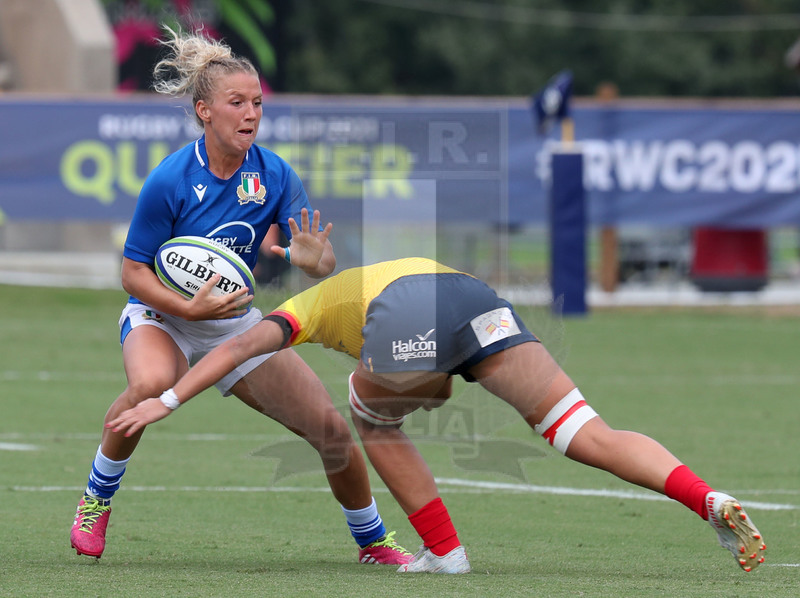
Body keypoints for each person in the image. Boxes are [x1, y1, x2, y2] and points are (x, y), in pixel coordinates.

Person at [108, 257, 767, 575]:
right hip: (472, 294)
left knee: (370, 421)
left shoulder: (297, 312)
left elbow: (236, 351)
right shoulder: (345, 282)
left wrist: (165, 400)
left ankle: (445, 553)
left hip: (408, 311)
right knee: (584, 431)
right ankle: (705, 497)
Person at [69, 26, 411, 566]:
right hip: (162, 312)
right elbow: (133, 273)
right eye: (237, 103)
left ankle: (373, 541)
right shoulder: (171, 179)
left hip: (233, 322)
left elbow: (322, 265)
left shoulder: (274, 174)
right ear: (205, 111)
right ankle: (96, 500)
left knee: (329, 430)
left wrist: (313, 259)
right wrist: (186, 307)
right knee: (151, 384)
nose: (251, 113)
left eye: (256, 102)